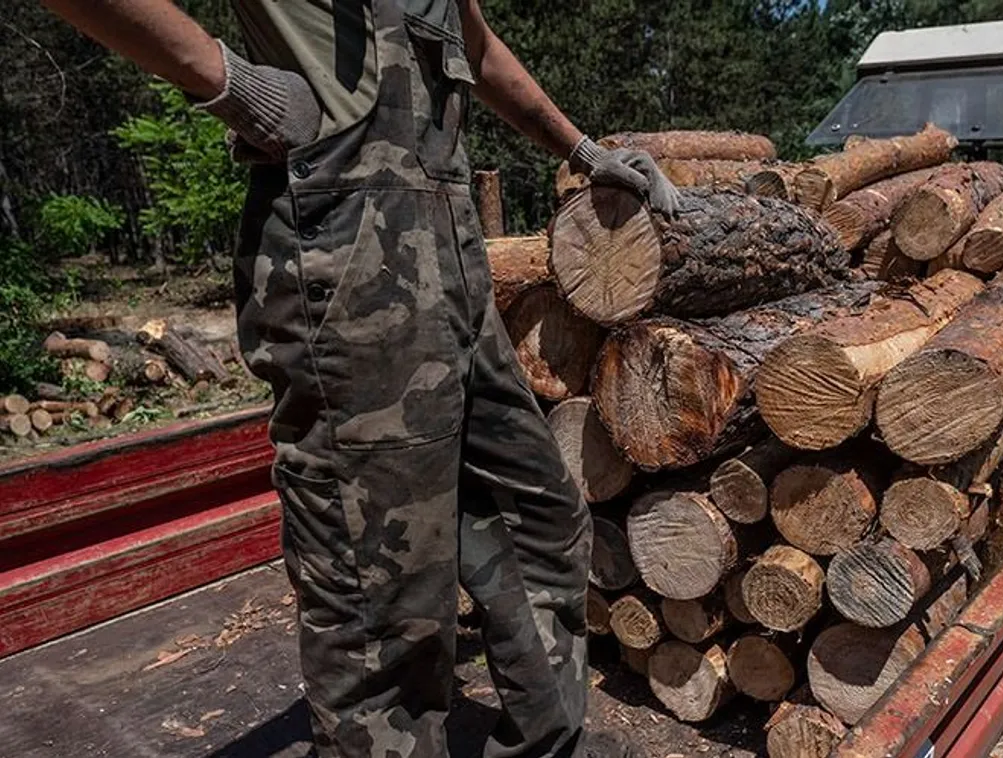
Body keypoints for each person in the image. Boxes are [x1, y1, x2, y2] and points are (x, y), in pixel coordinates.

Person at [37, 1, 680, 756]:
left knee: (534, 511)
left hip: (450, 259)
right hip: (344, 255)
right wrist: (232, 84)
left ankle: (547, 744)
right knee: (380, 589)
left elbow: (473, 43)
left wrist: (579, 147)